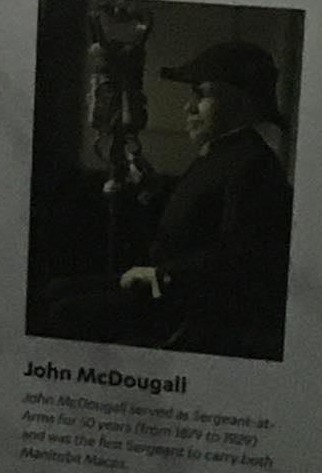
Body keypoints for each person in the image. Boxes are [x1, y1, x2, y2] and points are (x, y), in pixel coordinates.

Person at [34, 32, 295, 359]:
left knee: (64, 311)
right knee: (53, 291)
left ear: (241, 102)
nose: (189, 107)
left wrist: (163, 274)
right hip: (164, 288)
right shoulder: (220, 154)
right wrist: (148, 190)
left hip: (185, 305)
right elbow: (192, 218)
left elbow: (242, 257)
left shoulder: (253, 166)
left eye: (202, 94)